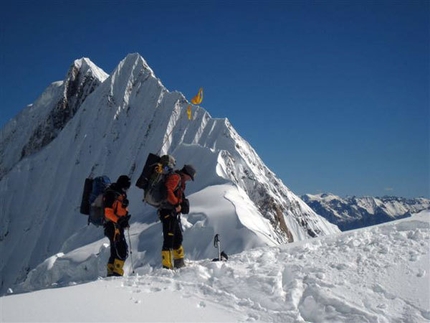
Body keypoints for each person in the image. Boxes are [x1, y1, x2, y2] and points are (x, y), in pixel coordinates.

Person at [158, 164, 196, 269]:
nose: (189, 179)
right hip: (167, 212)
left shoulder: (179, 179)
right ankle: (167, 267)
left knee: (177, 237)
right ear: (186, 174)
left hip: (172, 212)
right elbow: (168, 191)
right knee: (169, 239)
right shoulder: (176, 177)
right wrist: (176, 204)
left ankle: (179, 263)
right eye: (189, 177)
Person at [103, 175, 131, 277]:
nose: (127, 189)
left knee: (115, 251)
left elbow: (120, 209)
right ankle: (117, 274)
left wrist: (124, 219)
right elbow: (107, 212)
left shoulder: (119, 193)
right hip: (113, 226)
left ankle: (111, 274)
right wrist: (119, 221)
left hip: (116, 225)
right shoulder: (112, 194)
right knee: (122, 251)